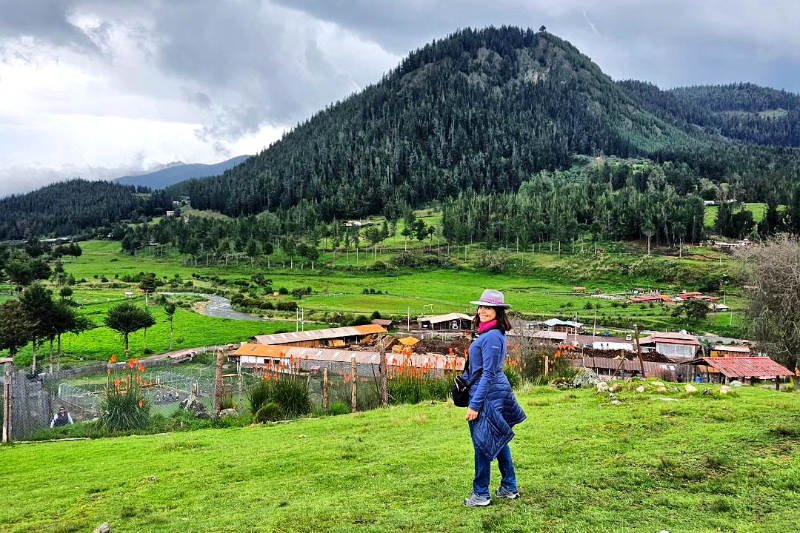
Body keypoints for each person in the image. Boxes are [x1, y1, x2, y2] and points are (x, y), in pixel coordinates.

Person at [461, 289, 526, 507]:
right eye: (481, 307)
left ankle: (480, 494)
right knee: (497, 438)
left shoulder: (492, 337)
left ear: (498, 312)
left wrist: (475, 405)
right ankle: (509, 487)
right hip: (489, 391)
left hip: (487, 395)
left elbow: (489, 373)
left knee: (482, 442)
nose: (482, 311)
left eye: (488, 308)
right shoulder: (491, 334)